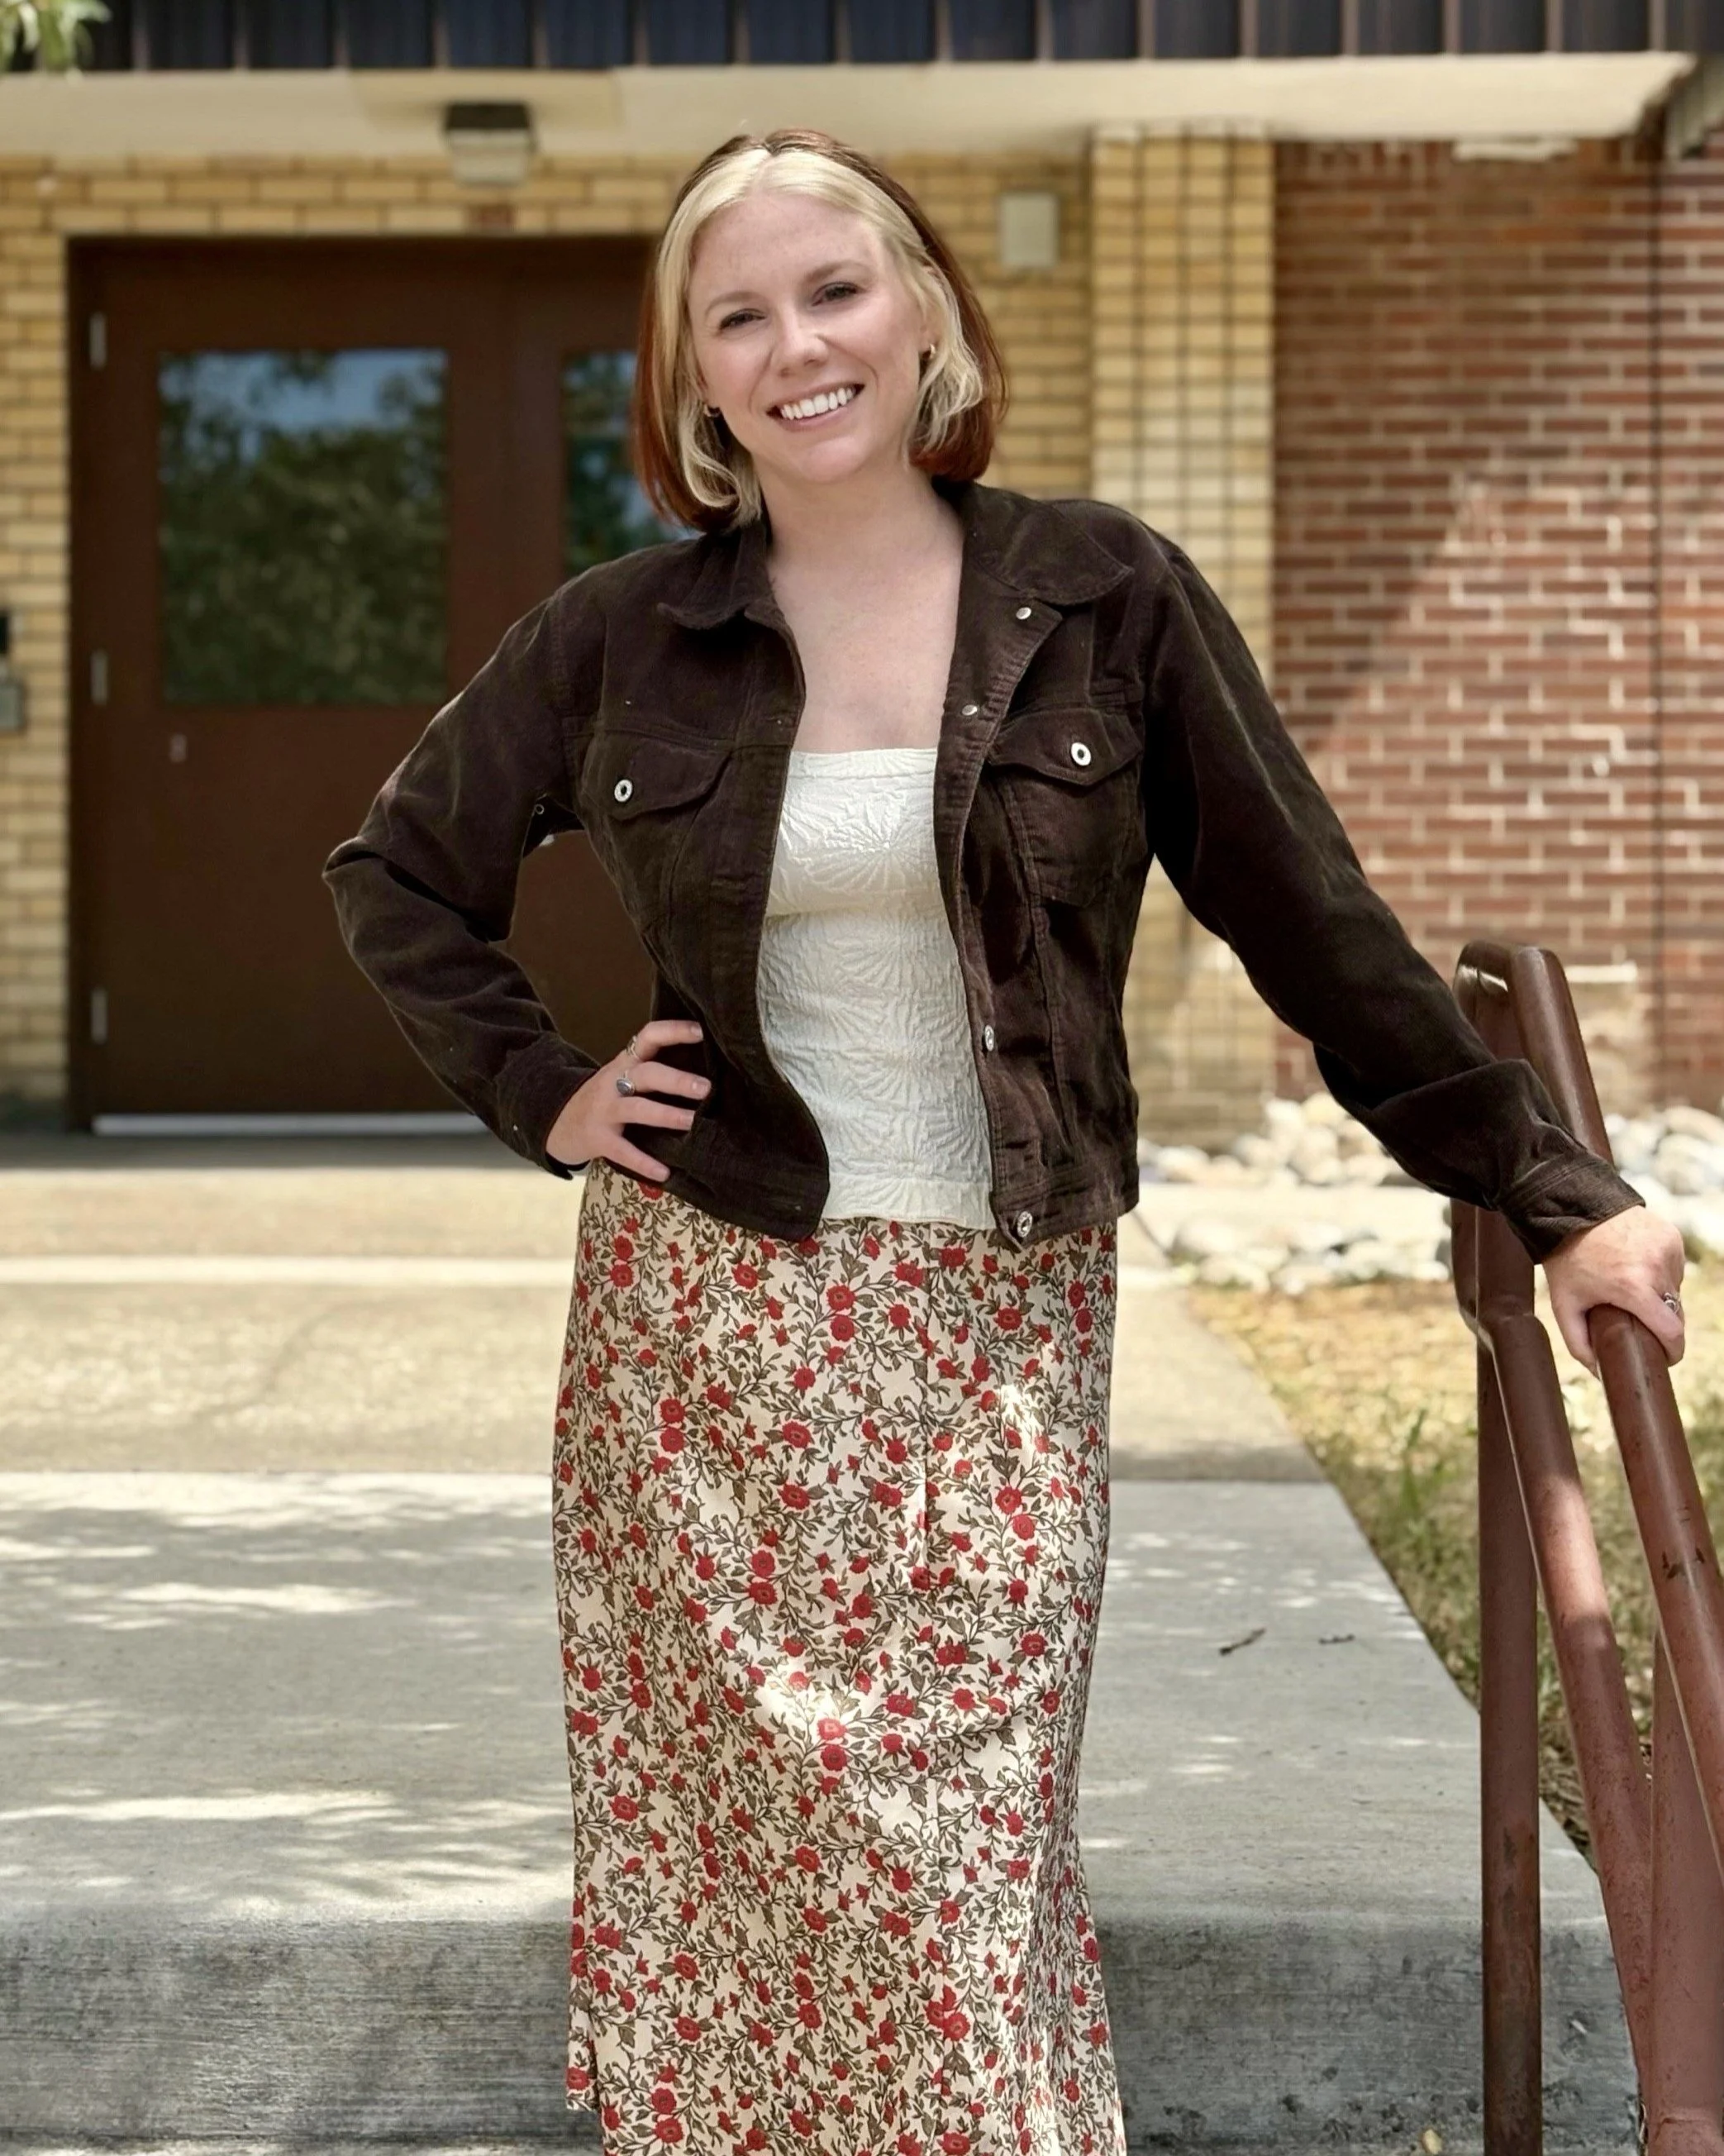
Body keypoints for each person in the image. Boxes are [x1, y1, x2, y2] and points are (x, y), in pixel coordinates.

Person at [325, 127, 1683, 2156]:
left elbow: (1313, 927)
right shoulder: (623, 631)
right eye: (741, 313)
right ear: (694, 377)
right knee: (725, 1876)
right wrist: (546, 1089)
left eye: (835, 289)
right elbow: (397, 876)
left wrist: (1548, 1195)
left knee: (953, 1851)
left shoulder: (1101, 595)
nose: (799, 344)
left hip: (993, 1321)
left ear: (927, 310)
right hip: (711, 1333)